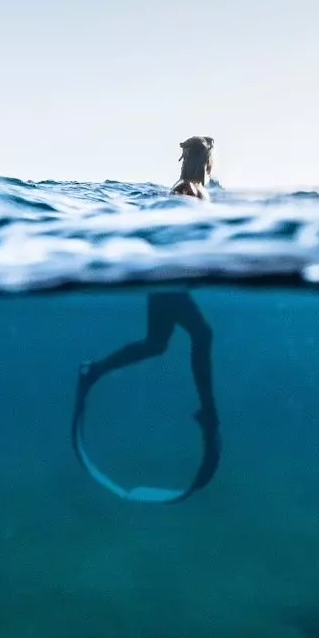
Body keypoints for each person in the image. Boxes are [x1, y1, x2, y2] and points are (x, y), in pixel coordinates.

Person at [70, 136, 221, 503]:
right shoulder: (187, 190)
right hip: (168, 284)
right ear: (205, 160)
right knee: (202, 334)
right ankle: (206, 412)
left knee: (157, 344)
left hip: (170, 283)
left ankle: (95, 371)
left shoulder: (197, 191)